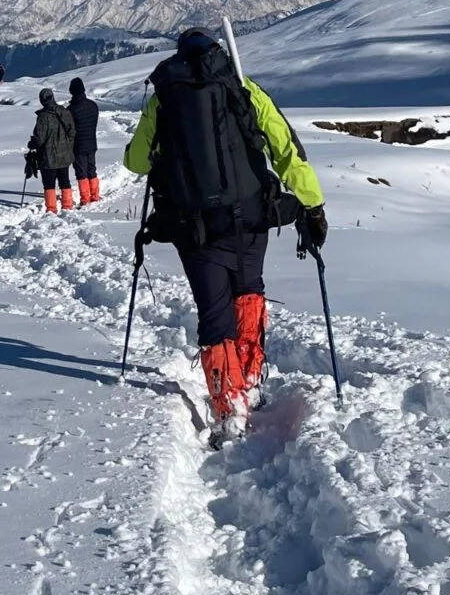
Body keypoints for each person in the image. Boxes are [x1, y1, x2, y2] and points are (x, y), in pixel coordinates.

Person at [123, 27, 327, 442]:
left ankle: (228, 407)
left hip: (195, 229)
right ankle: (250, 380)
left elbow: (136, 162)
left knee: (214, 314)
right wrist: (313, 205)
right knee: (248, 291)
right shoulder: (244, 88)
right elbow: (286, 150)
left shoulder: (165, 97)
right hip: (251, 220)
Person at [27, 87, 77, 214]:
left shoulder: (43, 117)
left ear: (42, 100)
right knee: (65, 181)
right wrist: (67, 146)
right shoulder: (64, 112)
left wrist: (32, 144)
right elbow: (72, 132)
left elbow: (39, 139)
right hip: (64, 154)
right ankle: (67, 206)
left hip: (48, 156)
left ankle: (51, 209)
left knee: (49, 184)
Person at [67, 77, 101, 206]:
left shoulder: (71, 110)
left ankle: (85, 198)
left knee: (81, 172)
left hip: (78, 145)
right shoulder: (93, 105)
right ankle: (95, 195)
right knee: (92, 169)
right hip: (92, 143)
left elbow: (69, 129)